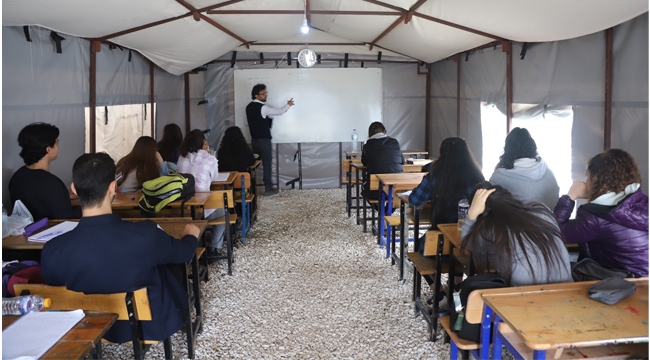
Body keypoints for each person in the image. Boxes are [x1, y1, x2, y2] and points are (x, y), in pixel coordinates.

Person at [41, 152, 200, 343]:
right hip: (146, 325)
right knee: (164, 265)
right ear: (113, 187)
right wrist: (191, 235)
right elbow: (183, 254)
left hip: (84, 326)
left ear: (74, 189)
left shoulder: (52, 250)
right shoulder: (145, 235)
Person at [408, 137, 484, 306]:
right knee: (457, 249)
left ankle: (439, 292)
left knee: (420, 249)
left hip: (440, 246)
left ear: (442, 154)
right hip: (471, 243)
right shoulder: (478, 176)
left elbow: (414, 199)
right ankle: (457, 283)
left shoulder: (436, 175)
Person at [554, 149, 648, 277]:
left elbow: (555, 232)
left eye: (587, 176)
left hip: (620, 285)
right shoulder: (642, 202)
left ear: (596, 179)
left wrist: (570, 197)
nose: (585, 181)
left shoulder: (595, 217)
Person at [461, 182, 573, 286]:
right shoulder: (542, 210)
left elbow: (467, 242)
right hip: (566, 290)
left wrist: (471, 216)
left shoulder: (493, 229)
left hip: (526, 295)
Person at [8, 122, 81, 220]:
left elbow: (39, 203)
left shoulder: (17, 177)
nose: (58, 146)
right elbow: (67, 218)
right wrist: (92, 206)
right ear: (48, 149)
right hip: (50, 233)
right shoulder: (51, 183)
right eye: (57, 142)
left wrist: (62, 197)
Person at [177, 129, 225, 257]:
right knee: (224, 211)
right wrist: (208, 154)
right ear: (204, 142)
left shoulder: (181, 158)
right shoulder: (210, 159)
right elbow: (214, 178)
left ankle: (196, 242)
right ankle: (214, 247)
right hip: (204, 208)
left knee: (198, 215)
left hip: (184, 207)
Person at [489, 127, 559, 210]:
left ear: (507, 148)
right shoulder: (547, 171)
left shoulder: (499, 176)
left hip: (519, 222)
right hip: (550, 220)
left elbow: (490, 204)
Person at [246, 84, 295, 196]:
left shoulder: (248, 107)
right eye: (263, 94)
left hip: (255, 141)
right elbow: (279, 112)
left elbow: (247, 123)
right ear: (256, 96)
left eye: (265, 93)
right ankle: (268, 188)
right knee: (267, 164)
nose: (265, 95)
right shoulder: (263, 108)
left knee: (253, 163)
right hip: (264, 143)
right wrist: (288, 105)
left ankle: (248, 186)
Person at [361, 122, 404, 201]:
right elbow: (402, 161)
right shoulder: (394, 142)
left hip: (375, 190)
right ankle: (388, 211)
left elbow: (364, 162)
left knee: (365, 191)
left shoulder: (367, 146)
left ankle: (383, 211)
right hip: (397, 187)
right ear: (384, 131)